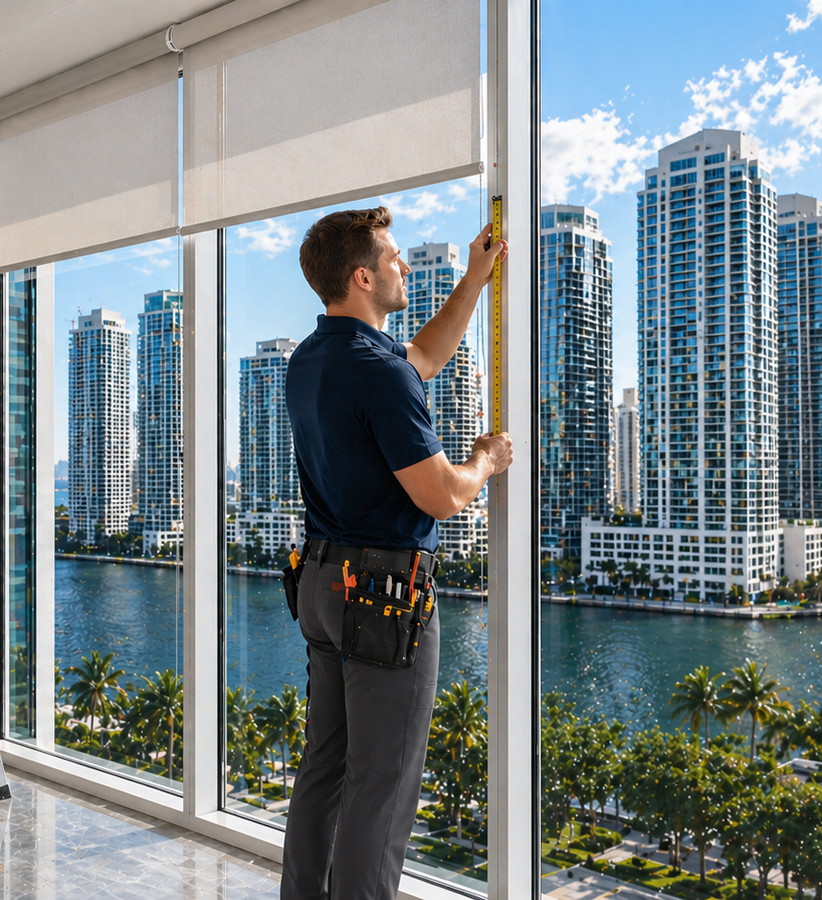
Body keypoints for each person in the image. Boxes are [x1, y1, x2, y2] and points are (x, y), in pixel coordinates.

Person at [280, 206, 514, 900]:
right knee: (380, 787)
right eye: (392, 258)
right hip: (382, 596)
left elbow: (424, 358)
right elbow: (440, 495)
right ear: (362, 277)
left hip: (322, 586)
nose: (404, 265)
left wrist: (474, 280)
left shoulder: (312, 359)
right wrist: (484, 462)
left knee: (326, 768)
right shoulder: (378, 375)